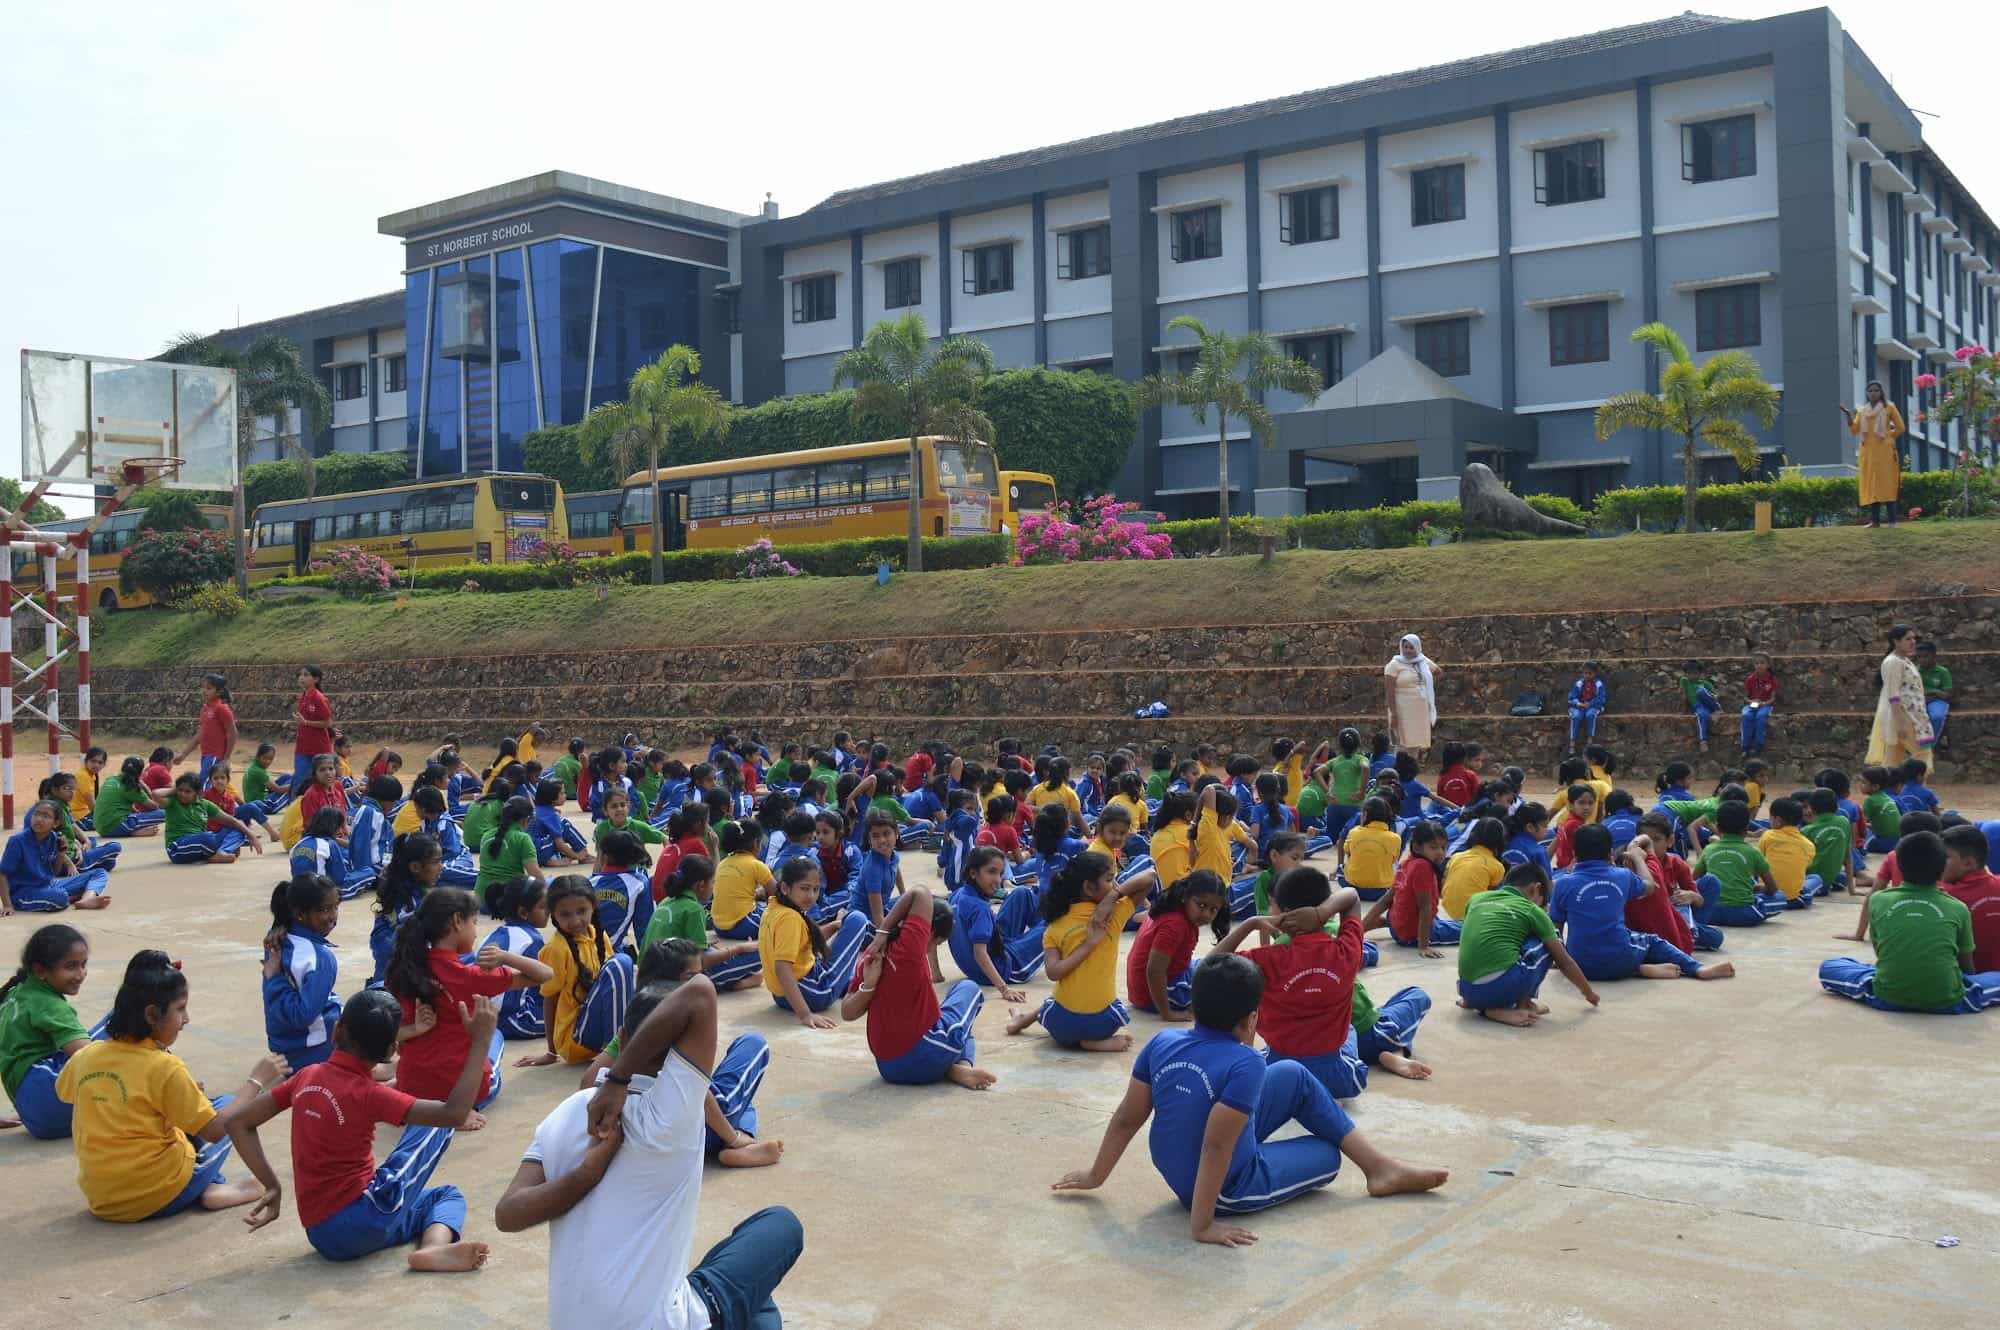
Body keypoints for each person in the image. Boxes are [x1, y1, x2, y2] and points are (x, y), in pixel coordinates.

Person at [1050, 952, 1447, 1246]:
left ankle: (1380, 1167)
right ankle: (1375, 1168)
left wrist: (1095, 1174)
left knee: (1292, 1073)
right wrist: (1202, 1225)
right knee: (1328, 1156)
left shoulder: (1164, 1041)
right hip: (1227, 1187)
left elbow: (1126, 1118)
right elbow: (1216, 1143)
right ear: (1251, 1017)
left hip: (1178, 1166)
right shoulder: (1245, 1063)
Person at [497, 974, 806, 1330]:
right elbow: (701, 992)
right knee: (780, 1227)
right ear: (684, 1057)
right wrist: (618, 1080)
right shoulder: (673, 1115)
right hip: (663, 1322)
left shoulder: (566, 1113)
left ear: (622, 1038)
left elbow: (507, 1215)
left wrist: (585, 1176)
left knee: (750, 1299)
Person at [227, 988, 496, 1270]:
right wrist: (479, 1043)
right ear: (392, 1051)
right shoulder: (369, 1094)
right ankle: (434, 1246)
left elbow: (239, 1123)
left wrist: (272, 1184)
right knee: (437, 1127)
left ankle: (434, 1247)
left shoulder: (307, 1076)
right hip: (362, 1218)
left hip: (321, 1235)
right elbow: (454, 1114)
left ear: (336, 1032)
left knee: (445, 1196)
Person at [57, 949, 283, 1221]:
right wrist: (256, 1081)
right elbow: (215, 1130)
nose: (186, 1019)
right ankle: (208, 1187)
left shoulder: (87, 1056)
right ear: (152, 1015)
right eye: (180, 1009)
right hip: (157, 1195)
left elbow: (66, 1092)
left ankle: (208, 1185)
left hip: (102, 1199)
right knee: (227, 1107)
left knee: (180, 1116)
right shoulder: (164, 1067)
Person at [386, 887, 552, 1127]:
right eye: (473, 922)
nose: (476, 932)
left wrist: (417, 1029)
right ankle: (458, 1110)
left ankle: (394, 1078)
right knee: (494, 1035)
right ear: (456, 922)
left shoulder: (402, 971)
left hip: (412, 1086)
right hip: (459, 1094)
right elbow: (545, 974)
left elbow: (393, 1031)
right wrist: (505, 956)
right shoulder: (469, 976)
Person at [1819, 831, 2000, 1013]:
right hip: (1949, 1000)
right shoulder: (1957, 907)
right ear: (1939, 867)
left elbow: (1881, 950)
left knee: (1830, 966)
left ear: (1899, 866)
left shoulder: (1878, 900)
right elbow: (1967, 966)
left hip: (1887, 996)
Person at [840, 886, 994, 1090]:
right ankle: (957, 1066)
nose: (932, 949)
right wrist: (881, 932)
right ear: (928, 933)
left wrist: (869, 985)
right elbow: (921, 893)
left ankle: (954, 1066)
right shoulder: (910, 948)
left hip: (888, 1067)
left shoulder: (871, 957)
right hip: (923, 1055)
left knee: (961, 1025)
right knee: (969, 990)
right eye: (937, 943)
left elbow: (847, 1013)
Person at [1005, 851, 1152, 1051]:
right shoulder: (1114, 915)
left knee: (1054, 1001)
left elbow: (1053, 972)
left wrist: (1111, 895)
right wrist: (1115, 897)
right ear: (1089, 888)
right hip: (1102, 1024)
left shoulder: (1055, 925)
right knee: (1114, 1008)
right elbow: (1150, 876)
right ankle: (1091, 1042)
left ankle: (1024, 1020)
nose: (1116, 886)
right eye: (1111, 880)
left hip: (1062, 1027)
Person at [1550, 826, 1733, 983]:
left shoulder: (1562, 885)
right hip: (1620, 959)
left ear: (1575, 854)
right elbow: (1651, 886)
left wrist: (1561, 960)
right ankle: (1696, 968)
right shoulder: (1622, 876)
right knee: (1652, 941)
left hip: (1580, 966)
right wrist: (1638, 858)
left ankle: (1640, 969)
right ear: (1610, 854)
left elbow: (1555, 929)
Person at [1454, 862, 1599, 1025]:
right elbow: (1564, 962)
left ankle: (1480, 1004)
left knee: (1501, 938)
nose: (1543, 907)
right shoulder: (1531, 909)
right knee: (1550, 938)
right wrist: (1589, 993)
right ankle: (1522, 1005)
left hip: (1466, 989)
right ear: (1535, 889)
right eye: (1543, 901)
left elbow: (1473, 940)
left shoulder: (1476, 899)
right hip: (1498, 988)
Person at [516, 876, 636, 1068]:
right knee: (622, 962)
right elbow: (550, 999)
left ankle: (622, 1044)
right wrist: (550, 1052)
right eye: (565, 914)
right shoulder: (557, 949)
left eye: (582, 911)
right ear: (553, 915)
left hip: (595, 1027)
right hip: (576, 1037)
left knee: (633, 973)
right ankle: (615, 1052)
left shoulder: (599, 935)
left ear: (593, 907)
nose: (575, 920)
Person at [0, 924, 101, 1137]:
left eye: (83, 965)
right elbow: (91, 1058)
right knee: (129, 1023)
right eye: (71, 966)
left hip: (34, 1112)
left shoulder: (15, 994)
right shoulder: (48, 1004)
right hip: (52, 1107)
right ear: (40, 970)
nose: (81, 974)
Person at [758, 858, 872, 1028]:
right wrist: (805, 1014)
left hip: (782, 997)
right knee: (857, 919)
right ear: (785, 888)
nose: (811, 896)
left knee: (851, 976)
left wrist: (834, 925)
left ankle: (849, 983)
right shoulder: (790, 918)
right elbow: (782, 969)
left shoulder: (774, 909)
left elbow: (806, 941)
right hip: (815, 993)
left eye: (816, 889)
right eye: (804, 888)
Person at [641, 855, 761, 990]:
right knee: (761, 952)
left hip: (649, 976)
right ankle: (732, 983)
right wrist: (740, 948)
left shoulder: (667, 900)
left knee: (714, 950)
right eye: (713, 882)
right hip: (675, 982)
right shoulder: (694, 909)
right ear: (701, 885)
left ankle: (734, 979)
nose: (714, 887)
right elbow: (701, 961)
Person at [263, 873, 344, 1068]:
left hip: (284, 1046)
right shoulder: (321, 958)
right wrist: (273, 978)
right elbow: (303, 1015)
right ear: (300, 913)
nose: (332, 916)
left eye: (335, 907)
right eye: (324, 910)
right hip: (313, 1051)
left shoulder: (276, 937)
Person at [1126, 870, 1227, 1020]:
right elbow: (1154, 971)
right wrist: (1167, 1013)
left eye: (1213, 910)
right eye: (1201, 905)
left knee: (1214, 965)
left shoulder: (1173, 909)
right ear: (1185, 896)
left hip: (1147, 988)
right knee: (1221, 980)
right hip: (1151, 996)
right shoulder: (1175, 925)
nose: (1206, 914)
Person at [946, 846, 1041, 995]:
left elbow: (937, 927)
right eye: (991, 872)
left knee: (1022, 893)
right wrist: (1004, 989)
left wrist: (936, 974)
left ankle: (1036, 942)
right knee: (1054, 926)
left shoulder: (957, 894)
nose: (998, 880)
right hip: (1006, 968)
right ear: (973, 873)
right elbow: (980, 953)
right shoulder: (979, 909)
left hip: (977, 966)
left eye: (1000, 873)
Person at [0, 799, 111, 914]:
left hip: (48, 884)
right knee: (60, 896)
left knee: (99, 873)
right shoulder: (17, 841)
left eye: (45, 816)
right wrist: (7, 905)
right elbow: (2, 874)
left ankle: (87, 899)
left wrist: (60, 854)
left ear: (56, 823)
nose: (39, 819)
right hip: (24, 892)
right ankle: (76, 896)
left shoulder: (53, 838)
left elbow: (54, 872)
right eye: (36, 814)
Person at [483, 877, 551, 1037]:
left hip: (484, 1014)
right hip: (514, 1019)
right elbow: (541, 986)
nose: (548, 910)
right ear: (523, 912)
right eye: (543, 906)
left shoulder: (493, 935)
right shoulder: (532, 940)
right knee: (568, 1019)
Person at [1867, 624, 1934, 773]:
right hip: (1905, 716)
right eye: (1908, 639)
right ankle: (1920, 793)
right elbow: (1893, 694)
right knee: (1922, 754)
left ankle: (1885, 793)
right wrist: (1900, 722)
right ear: (1896, 642)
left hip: (1912, 715)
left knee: (1893, 760)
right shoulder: (1893, 662)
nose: (1913, 642)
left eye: (1914, 639)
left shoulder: (1905, 661)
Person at [1842, 379, 1905, 526]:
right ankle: (1875, 521)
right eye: (1870, 391)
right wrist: (1848, 415)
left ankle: (1892, 521)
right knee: (1872, 485)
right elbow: (1854, 430)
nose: (1873, 393)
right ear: (1866, 393)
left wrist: (1888, 436)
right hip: (1868, 452)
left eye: (1876, 390)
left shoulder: (1889, 407)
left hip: (1885, 452)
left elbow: (1901, 428)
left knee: (1887, 484)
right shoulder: (1862, 410)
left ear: (1881, 392)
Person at [1940, 824, 2000, 973]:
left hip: (1969, 984)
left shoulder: (1944, 895)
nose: (1937, 862)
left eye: (1944, 857)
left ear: (1968, 863)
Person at [172, 673, 238, 786]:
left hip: (215, 756)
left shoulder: (222, 709)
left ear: (218, 692)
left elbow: (233, 733)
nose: (204, 691)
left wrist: (226, 758)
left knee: (203, 787)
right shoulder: (205, 708)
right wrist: (184, 754)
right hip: (205, 755)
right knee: (211, 787)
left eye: (209, 688)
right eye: (203, 687)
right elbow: (200, 734)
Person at [1758, 798, 1824, 907]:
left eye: (1771, 818)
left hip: (1768, 896)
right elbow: (1805, 865)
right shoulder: (1808, 845)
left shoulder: (1768, 835)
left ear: (1778, 820)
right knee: (1816, 878)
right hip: (1794, 900)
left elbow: (1759, 861)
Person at [1383, 634, 1438, 758]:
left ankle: (1411, 771)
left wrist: (1426, 687)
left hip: (1419, 709)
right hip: (1401, 709)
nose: (1407, 650)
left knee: (1415, 742)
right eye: (1405, 647)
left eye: (1411, 647)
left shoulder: (1423, 661)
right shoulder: (1394, 665)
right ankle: (1399, 771)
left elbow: (1438, 671)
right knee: (1401, 742)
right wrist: (1394, 713)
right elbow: (1390, 691)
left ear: (1417, 648)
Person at [88, 756, 163, 838]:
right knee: (164, 813)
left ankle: (132, 831)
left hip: (101, 828)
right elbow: (154, 807)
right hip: (116, 826)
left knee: (138, 816)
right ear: (140, 772)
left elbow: (122, 804)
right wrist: (145, 787)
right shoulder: (131, 786)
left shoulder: (110, 779)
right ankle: (133, 832)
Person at [291, 664, 334, 800]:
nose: (301, 678)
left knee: (322, 781)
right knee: (300, 780)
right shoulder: (303, 696)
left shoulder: (319, 698)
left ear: (316, 679)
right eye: (301, 675)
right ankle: (296, 810)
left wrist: (306, 723)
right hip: (303, 746)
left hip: (319, 747)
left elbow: (328, 723)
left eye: (306, 675)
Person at [1915, 640, 1953, 752]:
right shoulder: (1915, 671)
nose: (1922, 660)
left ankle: (1929, 746)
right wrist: (1935, 691)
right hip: (1918, 700)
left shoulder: (1942, 672)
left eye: (1926, 656)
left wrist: (1933, 692)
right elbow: (1912, 691)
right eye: (1919, 657)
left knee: (1937, 717)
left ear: (1934, 656)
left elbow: (1947, 695)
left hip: (1937, 701)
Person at [1677, 661, 1721, 752]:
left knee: (1700, 691)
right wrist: (1683, 710)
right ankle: (1703, 741)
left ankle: (1718, 710)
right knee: (1701, 715)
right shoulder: (1684, 681)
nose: (1692, 676)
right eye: (1689, 673)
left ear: (1700, 674)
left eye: (1695, 673)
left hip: (1709, 704)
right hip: (1698, 706)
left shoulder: (1705, 683)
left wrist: (1715, 696)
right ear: (1685, 674)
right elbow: (1684, 696)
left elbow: (1715, 695)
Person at [1739, 654, 1778, 757]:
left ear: (1768, 665)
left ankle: (1758, 745)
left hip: (1765, 705)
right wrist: (1752, 701)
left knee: (1761, 717)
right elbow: (1745, 697)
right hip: (1752, 705)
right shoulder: (1750, 679)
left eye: (1762, 663)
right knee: (1746, 716)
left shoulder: (1772, 679)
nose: (1759, 665)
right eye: (1756, 663)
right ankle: (1745, 747)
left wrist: (1764, 703)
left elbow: (1773, 698)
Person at [1567, 662, 1607, 749]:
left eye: (1590, 673)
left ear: (1595, 673)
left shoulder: (1598, 684)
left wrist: (1590, 704)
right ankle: (1573, 740)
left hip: (1593, 706)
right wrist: (1578, 703)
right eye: (1585, 673)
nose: (1587, 675)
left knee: (1590, 715)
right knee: (1576, 716)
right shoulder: (1579, 683)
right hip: (1579, 706)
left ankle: (1590, 738)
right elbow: (1571, 698)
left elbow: (1601, 698)